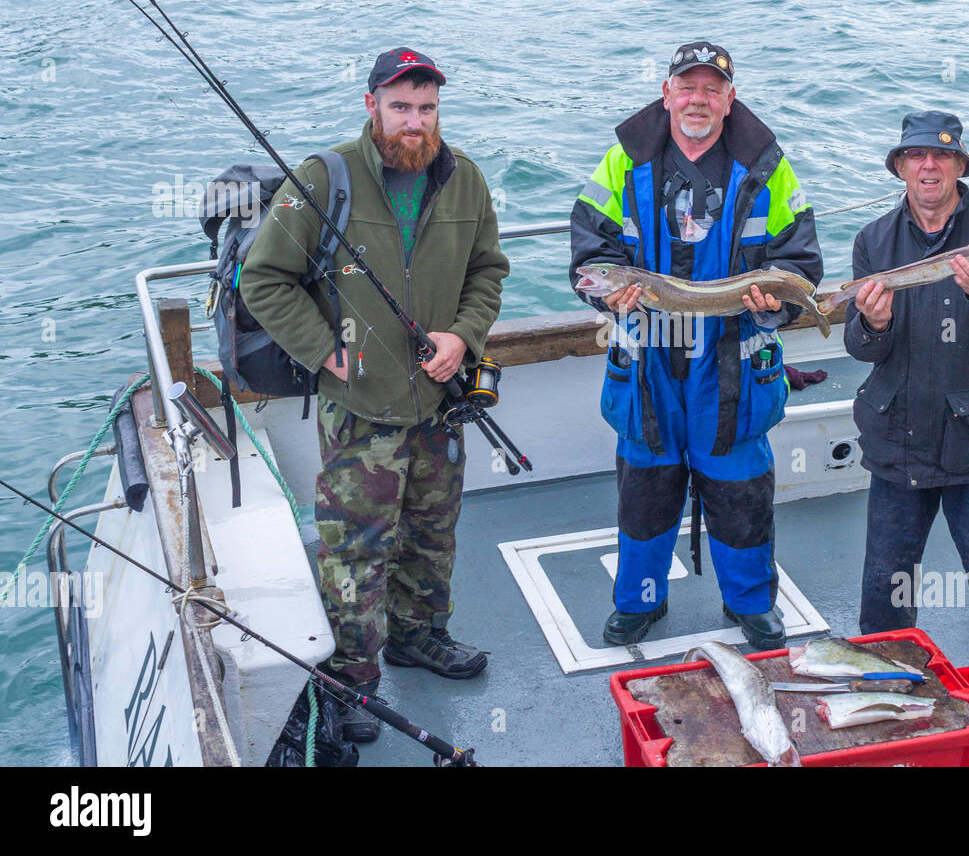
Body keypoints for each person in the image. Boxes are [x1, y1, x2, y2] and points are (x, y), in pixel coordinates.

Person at [241, 48, 509, 742]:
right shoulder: (320, 178)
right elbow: (263, 278)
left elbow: (488, 271)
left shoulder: (468, 180)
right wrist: (324, 350)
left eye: (426, 108)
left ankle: (419, 636)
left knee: (432, 533)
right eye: (401, 107)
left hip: (441, 403)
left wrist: (464, 335)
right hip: (360, 413)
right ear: (372, 107)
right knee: (353, 551)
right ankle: (350, 682)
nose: (414, 123)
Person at [569, 41, 823, 650]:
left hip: (733, 361)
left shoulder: (770, 168)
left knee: (740, 491)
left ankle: (749, 603)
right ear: (667, 94)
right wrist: (608, 293)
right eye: (688, 87)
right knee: (646, 491)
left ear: (730, 101)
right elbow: (590, 251)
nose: (698, 99)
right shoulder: (620, 163)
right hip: (648, 361)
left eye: (713, 89)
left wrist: (783, 302)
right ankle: (639, 602)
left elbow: (801, 259)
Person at [845, 110, 969, 711]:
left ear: (960, 165)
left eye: (941, 155)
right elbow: (861, 347)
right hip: (897, 440)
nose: (928, 165)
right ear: (901, 166)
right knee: (885, 590)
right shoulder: (873, 241)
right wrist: (873, 322)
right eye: (916, 156)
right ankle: (884, 700)